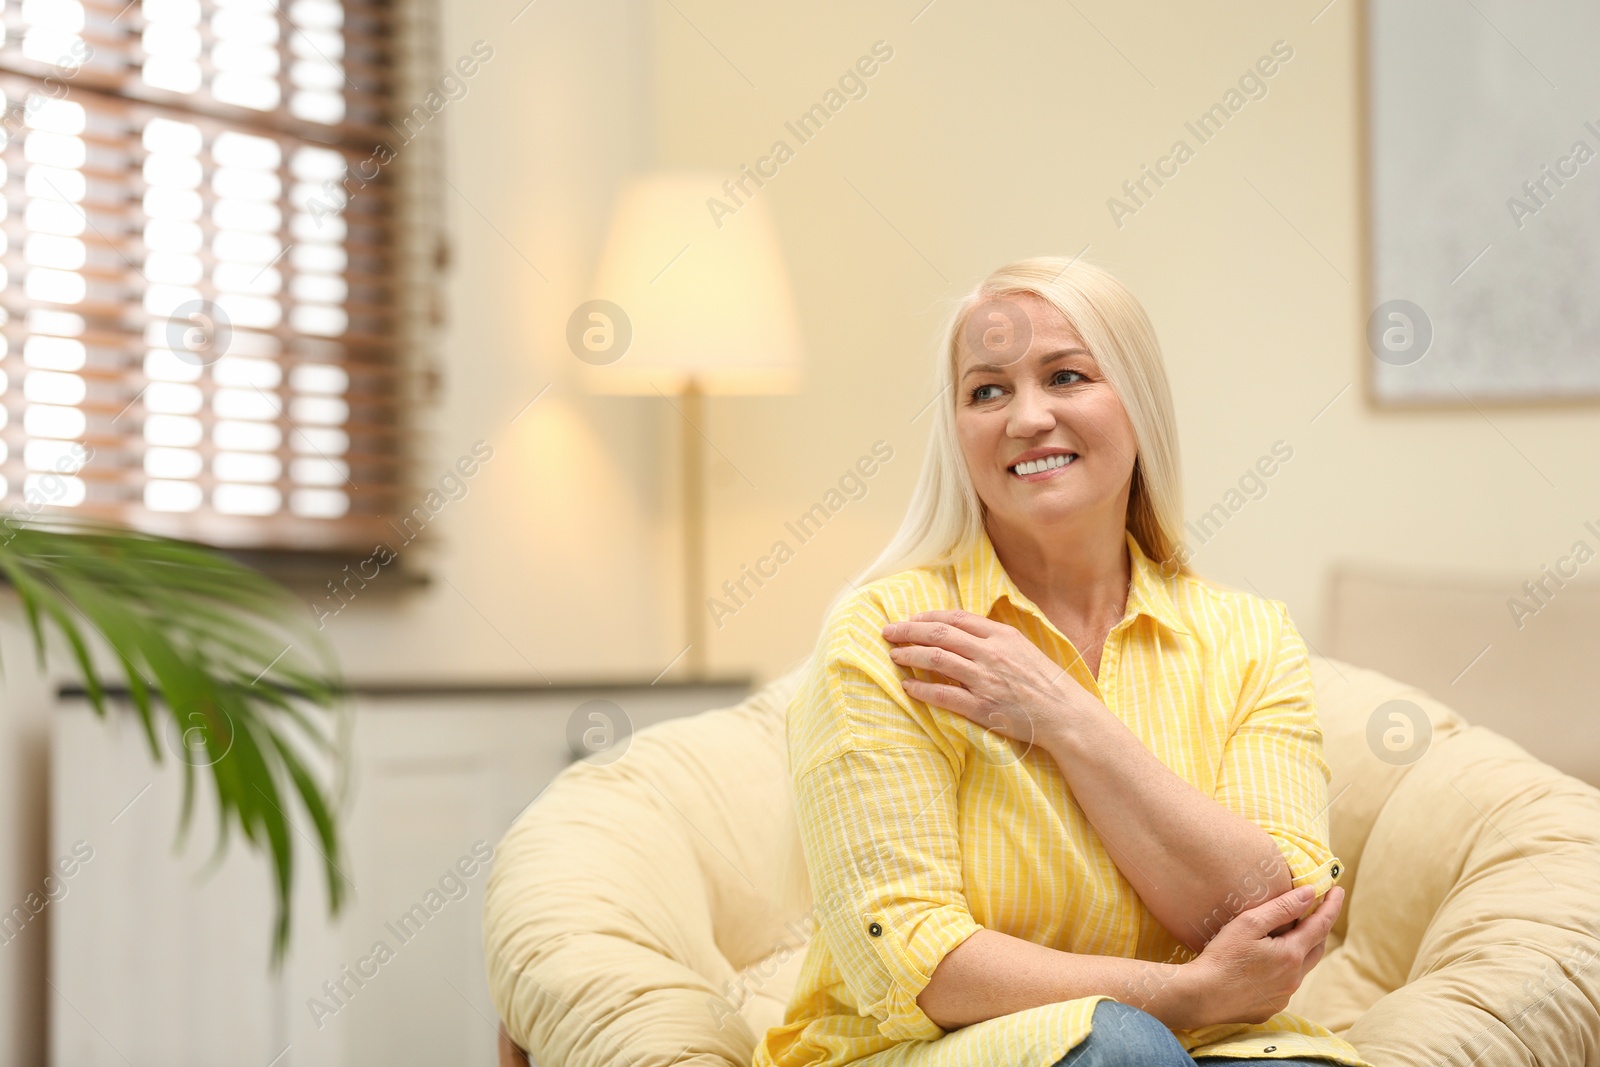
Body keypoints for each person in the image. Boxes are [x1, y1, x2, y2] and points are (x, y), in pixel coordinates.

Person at [752, 256, 1370, 1067]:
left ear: (1139, 404)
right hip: (922, 1049)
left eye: (1066, 375)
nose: (1027, 417)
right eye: (987, 390)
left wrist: (1065, 717)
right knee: (1119, 1049)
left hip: (1206, 1042)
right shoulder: (888, 632)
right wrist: (1185, 995)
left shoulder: (1250, 637)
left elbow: (1272, 910)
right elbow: (910, 955)